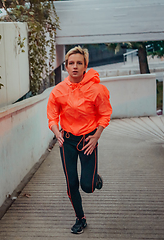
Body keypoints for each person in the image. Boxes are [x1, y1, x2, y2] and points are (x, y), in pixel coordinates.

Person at [47, 46, 112, 234]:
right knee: (72, 183)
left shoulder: (97, 90)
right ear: (66, 66)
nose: (75, 66)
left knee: (87, 186)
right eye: (71, 63)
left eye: (79, 63)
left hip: (87, 141)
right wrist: (56, 131)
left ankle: (95, 180)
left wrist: (97, 135)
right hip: (66, 141)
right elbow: (52, 116)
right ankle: (80, 218)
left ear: (86, 66)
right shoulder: (58, 91)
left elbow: (105, 114)